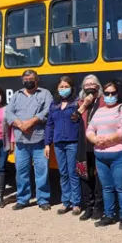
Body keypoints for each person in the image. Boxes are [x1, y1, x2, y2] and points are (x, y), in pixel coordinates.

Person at [86, 80, 122, 230]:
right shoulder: (99, 111)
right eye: (107, 93)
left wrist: (108, 139)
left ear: (118, 93)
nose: (110, 96)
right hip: (101, 156)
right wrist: (94, 139)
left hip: (120, 154)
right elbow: (90, 129)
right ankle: (108, 215)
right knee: (107, 188)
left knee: (121, 187)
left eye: (113, 93)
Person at [5, 70, 53, 211]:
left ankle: (43, 199)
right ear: (22, 80)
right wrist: (20, 124)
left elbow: (47, 111)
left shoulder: (45, 94)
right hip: (21, 142)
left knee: (42, 171)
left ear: (37, 80)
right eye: (26, 78)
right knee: (21, 172)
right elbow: (9, 113)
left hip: (39, 140)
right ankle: (22, 199)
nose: (28, 80)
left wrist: (31, 122)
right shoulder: (16, 95)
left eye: (31, 78)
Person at [44, 76, 82, 215]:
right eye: (61, 87)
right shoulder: (54, 105)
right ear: (57, 89)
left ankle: (76, 203)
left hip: (72, 142)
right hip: (58, 143)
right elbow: (50, 125)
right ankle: (66, 202)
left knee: (73, 172)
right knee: (63, 173)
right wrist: (47, 143)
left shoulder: (77, 103)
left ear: (71, 88)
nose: (64, 89)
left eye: (66, 87)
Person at [75, 75, 105, 221]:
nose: (90, 86)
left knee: (100, 175)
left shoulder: (103, 101)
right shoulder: (80, 102)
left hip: (100, 143)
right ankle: (89, 206)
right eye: (87, 84)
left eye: (93, 83)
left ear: (98, 86)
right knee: (84, 174)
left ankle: (99, 207)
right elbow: (73, 119)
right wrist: (84, 105)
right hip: (83, 144)